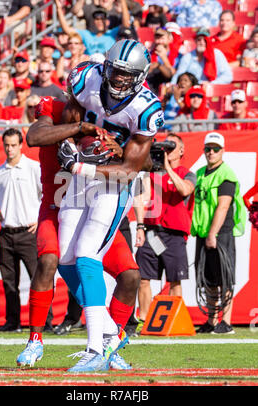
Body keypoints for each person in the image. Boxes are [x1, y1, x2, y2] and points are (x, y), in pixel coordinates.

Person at [56, 39, 164, 372]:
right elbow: (69, 121)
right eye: (115, 72)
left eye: (126, 75)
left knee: (88, 252)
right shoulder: (86, 78)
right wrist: (69, 145)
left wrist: (79, 166)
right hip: (80, 174)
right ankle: (110, 337)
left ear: (141, 76)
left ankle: (95, 349)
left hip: (113, 184)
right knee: (64, 259)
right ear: (106, 66)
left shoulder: (147, 109)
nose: (118, 81)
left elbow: (131, 169)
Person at [16, 91, 141, 370]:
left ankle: (109, 343)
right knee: (51, 260)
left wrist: (122, 151)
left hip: (94, 205)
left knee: (130, 275)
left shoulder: (113, 114)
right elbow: (34, 137)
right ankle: (35, 339)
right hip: (57, 204)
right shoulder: (58, 106)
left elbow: (140, 159)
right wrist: (78, 128)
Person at [0, 128, 53, 332]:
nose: (10, 149)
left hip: (29, 233)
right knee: (9, 281)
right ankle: (12, 322)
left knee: (39, 277)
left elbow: (47, 194)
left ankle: (45, 322)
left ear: (21, 145)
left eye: (13, 145)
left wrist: (40, 220)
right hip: (6, 233)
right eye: (6, 145)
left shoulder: (33, 167)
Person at [134, 133, 196, 332]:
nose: (167, 150)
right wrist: (140, 227)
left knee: (174, 278)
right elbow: (142, 199)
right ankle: (143, 319)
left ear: (181, 150)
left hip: (174, 233)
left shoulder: (187, 172)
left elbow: (185, 190)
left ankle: (172, 319)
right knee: (143, 277)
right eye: (165, 147)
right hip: (152, 232)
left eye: (172, 146)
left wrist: (167, 167)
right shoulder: (150, 174)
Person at [191, 132, 246, 334]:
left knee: (224, 277)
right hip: (204, 232)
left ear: (223, 151)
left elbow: (223, 207)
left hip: (220, 233)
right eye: (208, 148)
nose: (211, 152)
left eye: (215, 149)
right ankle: (212, 321)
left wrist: (213, 233)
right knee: (208, 278)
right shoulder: (199, 173)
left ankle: (227, 322)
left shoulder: (226, 174)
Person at [55, 0, 131, 57]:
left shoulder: (111, 34)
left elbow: (126, 24)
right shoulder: (87, 34)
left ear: (107, 22)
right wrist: (58, 8)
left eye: (102, 19)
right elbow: (66, 29)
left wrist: (122, 1)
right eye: (97, 19)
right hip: (90, 69)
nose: (100, 21)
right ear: (94, 22)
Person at [147, 26, 181, 94]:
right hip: (153, 85)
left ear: (169, 39)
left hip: (169, 86)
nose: (159, 41)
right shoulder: (149, 54)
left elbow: (175, 75)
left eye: (162, 38)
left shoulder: (177, 55)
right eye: (157, 38)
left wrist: (164, 57)